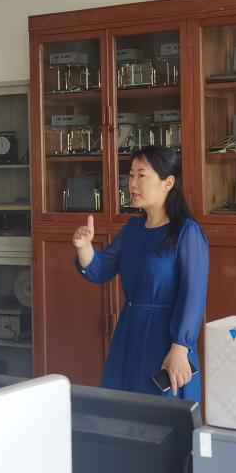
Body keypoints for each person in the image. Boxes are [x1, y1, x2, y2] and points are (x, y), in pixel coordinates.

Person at [73, 145, 208, 399]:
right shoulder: (133, 229)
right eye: (131, 175)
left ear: (168, 183)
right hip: (130, 331)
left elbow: (194, 294)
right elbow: (100, 270)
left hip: (167, 338)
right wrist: (84, 247)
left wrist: (181, 347)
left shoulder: (186, 232)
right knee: (121, 408)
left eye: (142, 175)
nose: (132, 184)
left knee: (161, 412)